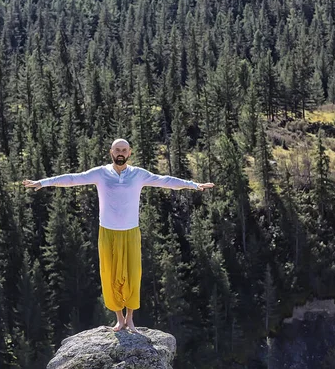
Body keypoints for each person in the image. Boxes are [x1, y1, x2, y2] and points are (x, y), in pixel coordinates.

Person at [22, 138, 214, 333]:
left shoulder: (138, 175)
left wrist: (194, 185)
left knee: (132, 274)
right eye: (117, 150)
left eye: (124, 150)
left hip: (131, 231)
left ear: (129, 153)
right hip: (107, 232)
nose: (120, 153)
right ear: (111, 152)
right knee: (110, 274)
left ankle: (130, 319)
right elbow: (72, 179)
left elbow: (166, 181)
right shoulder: (101, 173)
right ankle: (119, 319)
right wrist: (43, 183)